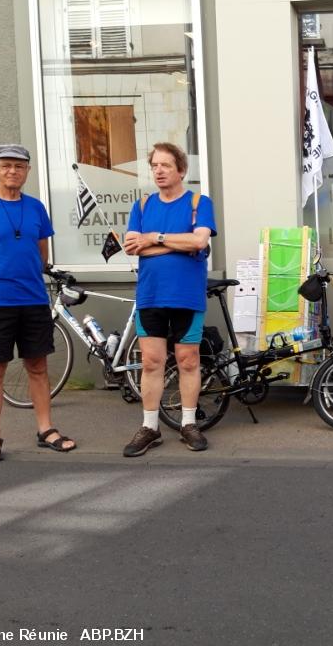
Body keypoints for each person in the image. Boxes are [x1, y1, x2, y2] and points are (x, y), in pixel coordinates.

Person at [0, 144, 77, 462]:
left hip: (33, 300)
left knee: (37, 367)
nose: (13, 171)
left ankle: (46, 429)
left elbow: (41, 256)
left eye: (19, 166)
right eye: (6, 165)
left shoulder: (36, 208)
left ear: (27, 171)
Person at [123, 142, 216, 456]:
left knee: (188, 361)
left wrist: (155, 237)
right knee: (151, 363)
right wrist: (180, 244)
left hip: (187, 296)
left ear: (181, 170)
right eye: (154, 166)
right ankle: (150, 427)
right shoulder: (143, 206)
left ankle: (188, 423)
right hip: (150, 296)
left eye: (165, 165)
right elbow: (133, 247)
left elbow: (200, 240)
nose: (159, 171)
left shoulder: (198, 202)